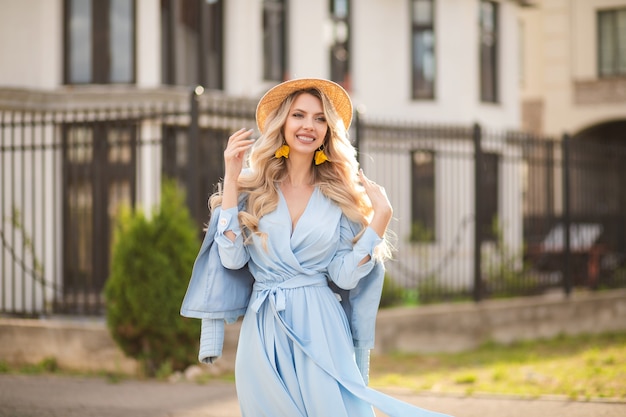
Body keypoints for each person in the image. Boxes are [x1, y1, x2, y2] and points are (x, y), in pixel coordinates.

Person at [182, 78, 452, 417]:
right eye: (299, 115)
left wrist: (379, 220)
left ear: (328, 131)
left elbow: (345, 275)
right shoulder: (254, 190)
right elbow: (232, 258)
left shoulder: (337, 196)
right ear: (283, 123)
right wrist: (233, 180)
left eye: (320, 118)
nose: (309, 125)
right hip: (264, 330)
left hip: (322, 329)